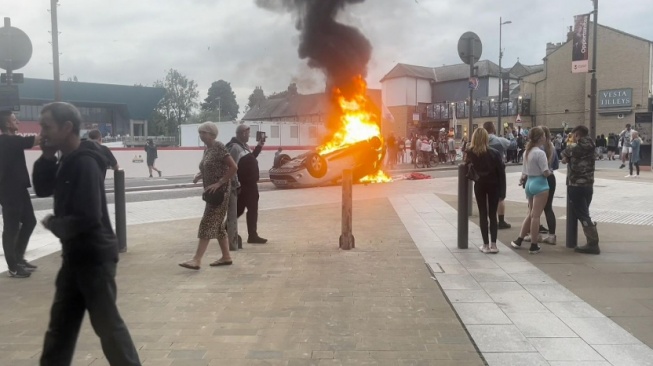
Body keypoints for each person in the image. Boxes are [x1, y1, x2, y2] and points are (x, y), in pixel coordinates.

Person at [33, 102, 141, 365]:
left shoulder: (85, 163)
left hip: (94, 259)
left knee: (109, 330)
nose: (41, 132)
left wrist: (54, 223)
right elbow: (43, 187)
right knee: (60, 330)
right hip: (75, 257)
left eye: (46, 126)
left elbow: (89, 216)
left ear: (67, 127)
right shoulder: (65, 158)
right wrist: (46, 156)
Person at [180, 122, 238, 269]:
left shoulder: (218, 147)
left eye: (203, 132)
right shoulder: (207, 150)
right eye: (200, 132)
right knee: (217, 226)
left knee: (207, 223)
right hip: (211, 194)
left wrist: (220, 182)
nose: (200, 135)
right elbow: (209, 166)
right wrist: (199, 175)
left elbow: (233, 167)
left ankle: (196, 259)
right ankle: (226, 257)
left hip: (220, 193)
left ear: (211, 134)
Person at [0, 111, 39, 278]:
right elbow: (37, 140)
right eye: (15, 120)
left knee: (30, 221)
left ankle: (19, 257)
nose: (18, 122)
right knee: (11, 228)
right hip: (8, 190)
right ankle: (13, 266)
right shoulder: (7, 140)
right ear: (8, 124)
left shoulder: (11, 140)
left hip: (19, 188)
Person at [510, 127, 551, 254]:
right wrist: (551, 172)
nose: (545, 137)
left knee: (530, 213)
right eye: (544, 135)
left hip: (529, 183)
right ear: (540, 138)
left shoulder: (527, 152)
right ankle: (534, 245)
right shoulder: (540, 153)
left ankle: (519, 240)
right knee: (536, 216)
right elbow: (545, 172)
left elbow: (524, 171)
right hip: (540, 184)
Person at [465, 128, 505, 254]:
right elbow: (501, 173)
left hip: (480, 184)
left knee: (483, 213)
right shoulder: (494, 153)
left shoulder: (470, 152)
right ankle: (494, 245)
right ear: (487, 138)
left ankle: (485, 245)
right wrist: (502, 192)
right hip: (494, 185)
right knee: (492, 215)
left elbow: (466, 167)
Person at [561, 125, 600, 254]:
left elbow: (564, 155)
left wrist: (568, 156)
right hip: (589, 185)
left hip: (576, 185)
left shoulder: (574, 148)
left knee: (582, 214)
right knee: (585, 212)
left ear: (577, 135)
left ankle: (593, 243)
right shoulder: (592, 145)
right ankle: (592, 241)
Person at [228, 125, 268, 244]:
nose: (249, 135)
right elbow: (231, 166)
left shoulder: (244, 146)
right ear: (242, 133)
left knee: (252, 209)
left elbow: (251, 158)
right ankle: (226, 229)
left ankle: (253, 235)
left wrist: (260, 145)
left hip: (251, 185)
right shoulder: (235, 147)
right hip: (243, 185)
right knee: (238, 210)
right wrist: (236, 184)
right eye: (247, 133)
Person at [524, 126, 558, 245]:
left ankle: (534, 235)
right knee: (548, 208)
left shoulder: (536, 149)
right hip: (550, 178)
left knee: (533, 212)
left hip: (537, 179)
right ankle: (552, 235)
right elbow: (556, 164)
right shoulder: (552, 146)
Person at [483, 121, 512, 229]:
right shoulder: (500, 141)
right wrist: (510, 134)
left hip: (484, 172)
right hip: (498, 172)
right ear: (493, 128)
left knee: (486, 196)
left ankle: (488, 220)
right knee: (500, 196)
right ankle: (501, 221)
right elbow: (513, 145)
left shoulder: (480, 141)